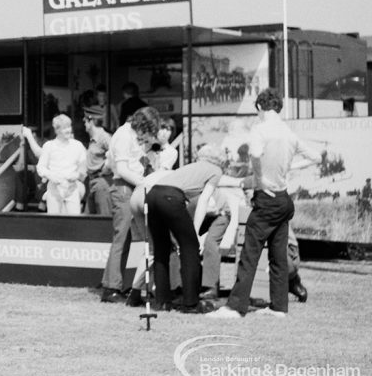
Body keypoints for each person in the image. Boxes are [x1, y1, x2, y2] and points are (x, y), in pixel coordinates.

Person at [209, 88, 325, 319]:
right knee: (278, 256)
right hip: (283, 199)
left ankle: (235, 307)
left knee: (250, 253)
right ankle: (278, 306)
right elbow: (316, 158)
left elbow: (255, 154)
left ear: (260, 108)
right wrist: (288, 167)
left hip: (266, 198)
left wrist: (261, 179)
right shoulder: (289, 134)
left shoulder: (260, 129)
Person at [140, 152, 224, 313]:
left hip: (151, 196)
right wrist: (196, 232)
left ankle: (162, 302)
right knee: (190, 247)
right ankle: (191, 303)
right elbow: (203, 201)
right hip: (170, 197)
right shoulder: (216, 171)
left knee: (161, 249)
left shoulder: (191, 167)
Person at [99, 106, 161, 303]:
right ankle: (110, 288)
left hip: (130, 186)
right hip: (124, 188)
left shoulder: (131, 135)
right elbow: (123, 170)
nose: (146, 136)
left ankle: (115, 285)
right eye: (147, 131)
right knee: (121, 238)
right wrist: (145, 182)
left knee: (124, 239)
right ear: (142, 125)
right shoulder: (124, 136)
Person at [35, 115, 88, 215]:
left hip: (72, 189)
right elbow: (40, 168)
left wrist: (76, 175)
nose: (68, 130)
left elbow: (84, 168)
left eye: (69, 127)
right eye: (64, 128)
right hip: (54, 190)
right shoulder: (49, 146)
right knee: (55, 223)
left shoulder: (77, 145)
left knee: (74, 222)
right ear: (57, 130)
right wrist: (52, 176)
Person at [83, 107, 112, 216]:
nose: (84, 124)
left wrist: (106, 168)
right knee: (89, 221)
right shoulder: (94, 138)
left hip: (102, 182)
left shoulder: (104, 138)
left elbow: (115, 155)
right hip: (93, 182)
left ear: (91, 121)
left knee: (103, 219)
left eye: (85, 121)